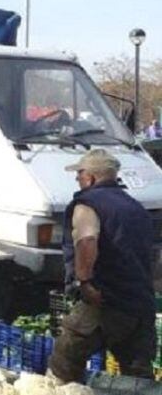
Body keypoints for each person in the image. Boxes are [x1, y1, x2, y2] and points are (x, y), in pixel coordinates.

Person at [49, 149, 158, 382]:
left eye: (79, 174)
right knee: (138, 376)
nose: (77, 180)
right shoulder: (135, 208)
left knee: (66, 358)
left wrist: (85, 282)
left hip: (105, 298)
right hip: (139, 303)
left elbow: (87, 241)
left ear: (90, 178)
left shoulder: (88, 205)